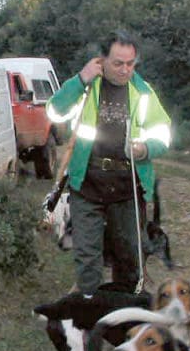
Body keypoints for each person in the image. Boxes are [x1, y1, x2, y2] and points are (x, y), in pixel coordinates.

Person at [46, 32, 172, 294]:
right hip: (87, 184)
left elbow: (164, 133)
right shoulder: (86, 87)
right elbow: (54, 111)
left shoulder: (143, 92)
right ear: (102, 60)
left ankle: (124, 321)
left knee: (129, 260)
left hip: (128, 188)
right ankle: (88, 318)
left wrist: (145, 149)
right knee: (88, 259)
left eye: (131, 63)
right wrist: (81, 79)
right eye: (118, 63)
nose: (125, 69)